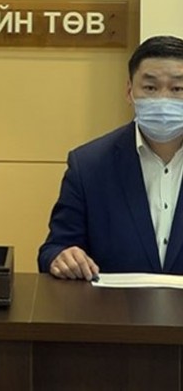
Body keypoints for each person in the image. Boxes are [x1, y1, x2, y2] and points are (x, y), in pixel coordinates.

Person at [39, 35, 183, 280]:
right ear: (129, 92)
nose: (163, 100)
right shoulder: (88, 165)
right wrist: (62, 257)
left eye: (177, 89)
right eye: (150, 88)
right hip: (112, 304)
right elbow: (55, 248)